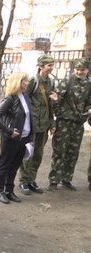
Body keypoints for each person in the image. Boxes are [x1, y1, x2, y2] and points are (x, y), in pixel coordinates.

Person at [47, 58, 91, 191]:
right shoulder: (67, 81)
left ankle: (66, 178)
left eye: (82, 69)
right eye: (77, 69)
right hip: (64, 122)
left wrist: (89, 109)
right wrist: (56, 102)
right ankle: (54, 180)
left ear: (87, 70)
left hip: (78, 123)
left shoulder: (89, 84)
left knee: (73, 152)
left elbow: (89, 100)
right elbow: (56, 99)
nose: (79, 72)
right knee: (60, 151)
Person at [19, 54, 58, 195]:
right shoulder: (32, 81)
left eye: (53, 65)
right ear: (41, 66)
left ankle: (31, 180)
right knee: (28, 154)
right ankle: (23, 181)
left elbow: (50, 105)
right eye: (49, 65)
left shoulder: (51, 82)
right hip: (32, 125)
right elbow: (23, 101)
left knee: (38, 155)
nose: (52, 67)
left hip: (44, 125)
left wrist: (52, 123)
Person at [0, 72, 33, 204]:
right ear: (17, 82)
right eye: (24, 81)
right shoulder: (10, 98)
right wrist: (9, 131)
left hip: (24, 138)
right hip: (11, 138)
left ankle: (9, 190)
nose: (27, 83)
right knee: (4, 164)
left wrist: (30, 136)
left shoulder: (25, 97)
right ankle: (0, 191)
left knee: (15, 165)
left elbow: (29, 118)